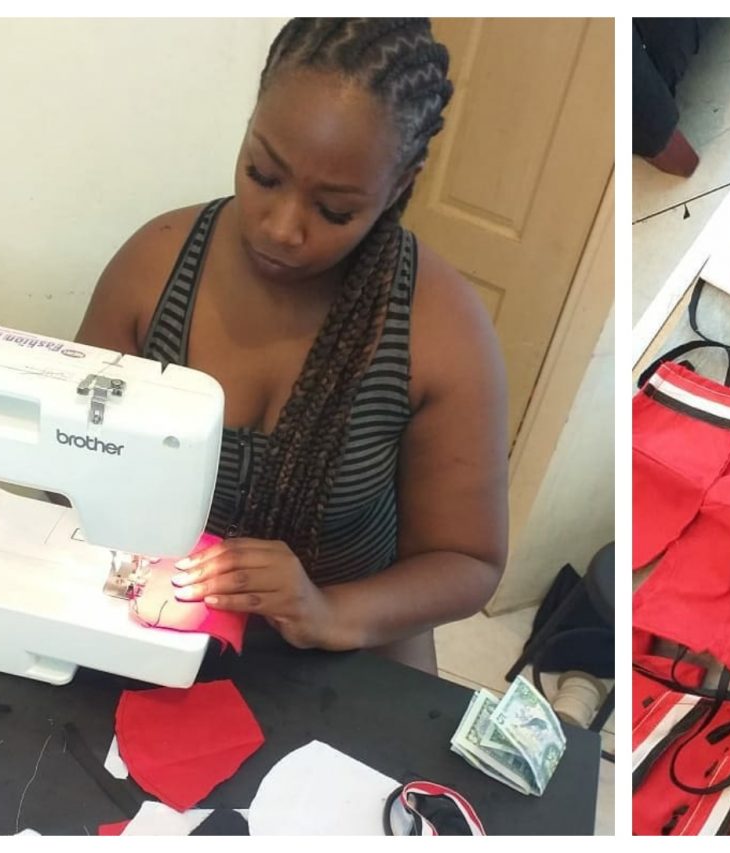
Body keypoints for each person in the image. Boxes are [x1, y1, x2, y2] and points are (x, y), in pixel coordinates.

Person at [74, 18, 510, 673]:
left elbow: (469, 562)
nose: (281, 229)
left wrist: (325, 610)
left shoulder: (440, 332)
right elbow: (71, 458)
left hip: (348, 646)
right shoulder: (154, 268)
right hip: (165, 620)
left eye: (334, 211)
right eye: (263, 173)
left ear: (401, 185)